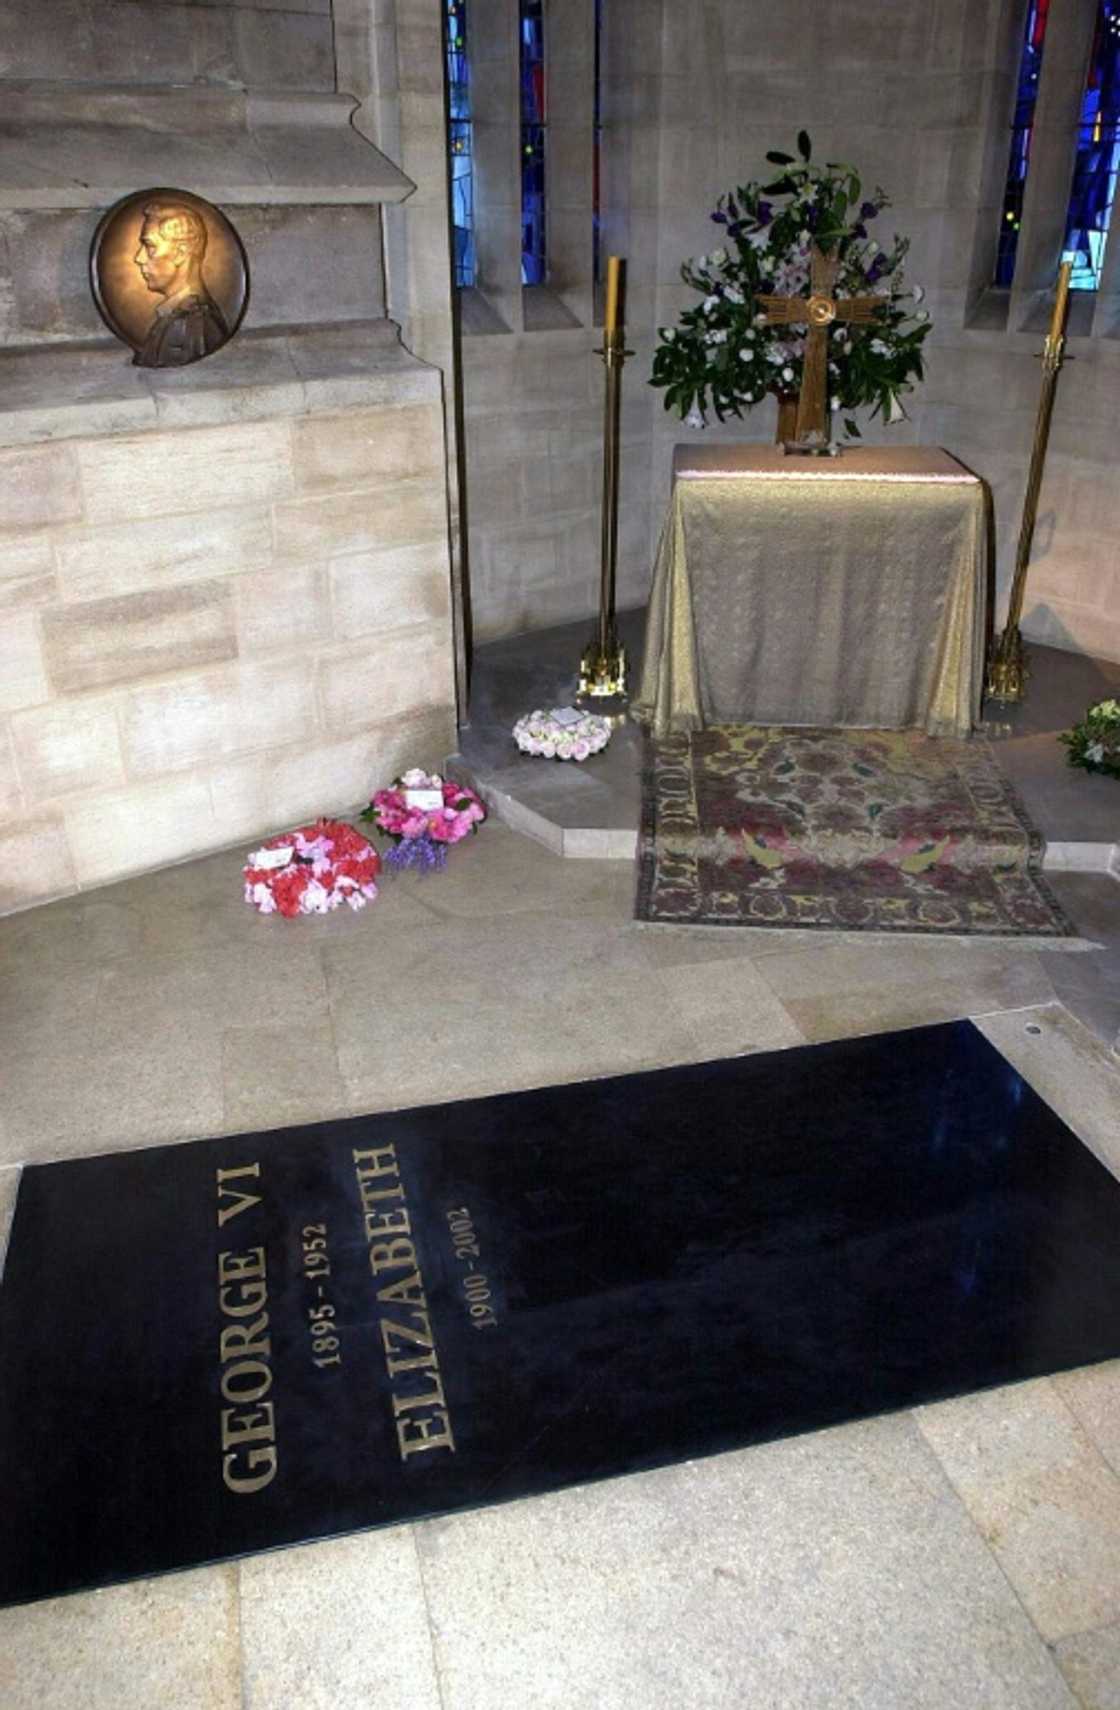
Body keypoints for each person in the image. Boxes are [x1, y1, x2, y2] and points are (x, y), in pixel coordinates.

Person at [132, 200, 229, 367]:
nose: (138, 258)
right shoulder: (176, 316)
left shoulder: (193, 325)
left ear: (180, 253)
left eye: (149, 246)